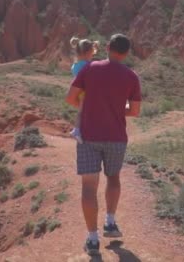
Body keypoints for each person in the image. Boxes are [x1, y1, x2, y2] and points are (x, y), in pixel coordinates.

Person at [65, 33, 142, 256]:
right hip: (116, 137)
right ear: (126, 53)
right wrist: (118, 109)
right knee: (114, 178)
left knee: (89, 187)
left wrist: (88, 107)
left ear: (107, 47)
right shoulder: (131, 76)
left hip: (89, 137)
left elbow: (71, 98)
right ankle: (110, 222)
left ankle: (92, 239)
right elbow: (135, 111)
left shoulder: (90, 68)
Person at [69, 37, 99, 144]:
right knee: (86, 112)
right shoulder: (87, 65)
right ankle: (77, 130)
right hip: (86, 92)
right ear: (87, 53)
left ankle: (77, 130)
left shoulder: (75, 66)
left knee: (81, 112)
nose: (92, 56)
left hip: (80, 92)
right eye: (92, 53)